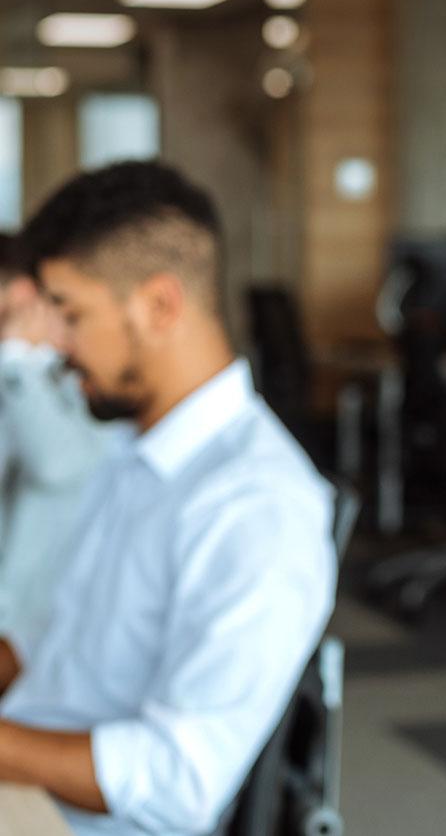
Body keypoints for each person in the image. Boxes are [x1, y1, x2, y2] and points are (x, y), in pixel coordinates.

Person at [0, 160, 337, 836]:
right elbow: (38, 645)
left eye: (70, 314)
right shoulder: (132, 452)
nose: (56, 346)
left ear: (159, 306)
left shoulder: (256, 505)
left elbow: (180, 782)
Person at [0, 232, 117, 645]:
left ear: (21, 295)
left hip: (43, 633)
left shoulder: (87, 381)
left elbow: (57, 465)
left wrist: (15, 359)